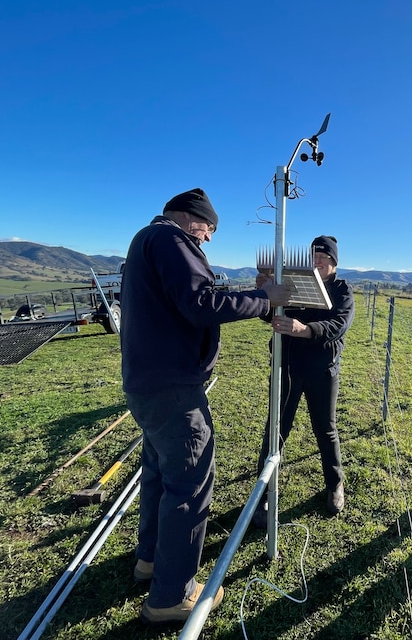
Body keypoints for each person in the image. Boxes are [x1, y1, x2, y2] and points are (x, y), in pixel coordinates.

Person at [120, 188, 292, 624]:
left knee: (161, 473)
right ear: (187, 217)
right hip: (173, 387)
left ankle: (151, 560)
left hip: (149, 382)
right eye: (208, 228)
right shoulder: (172, 241)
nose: (209, 239)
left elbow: (195, 294)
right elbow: (201, 303)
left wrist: (250, 299)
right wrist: (266, 299)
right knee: (190, 482)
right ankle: (172, 596)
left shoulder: (147, 240)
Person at [252, 235, 355, 528]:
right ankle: (263, 495)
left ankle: (335, 484)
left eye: (323, 257)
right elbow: (273, 316)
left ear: (334, 261)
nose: (317, 261)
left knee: (326, 429)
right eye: (314, 256)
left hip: (322, 369)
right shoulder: (295, 283)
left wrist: (304, 329)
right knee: (276, 429)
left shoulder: (342, 290)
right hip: (286, 366)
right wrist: (265, 295)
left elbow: (338, 325)